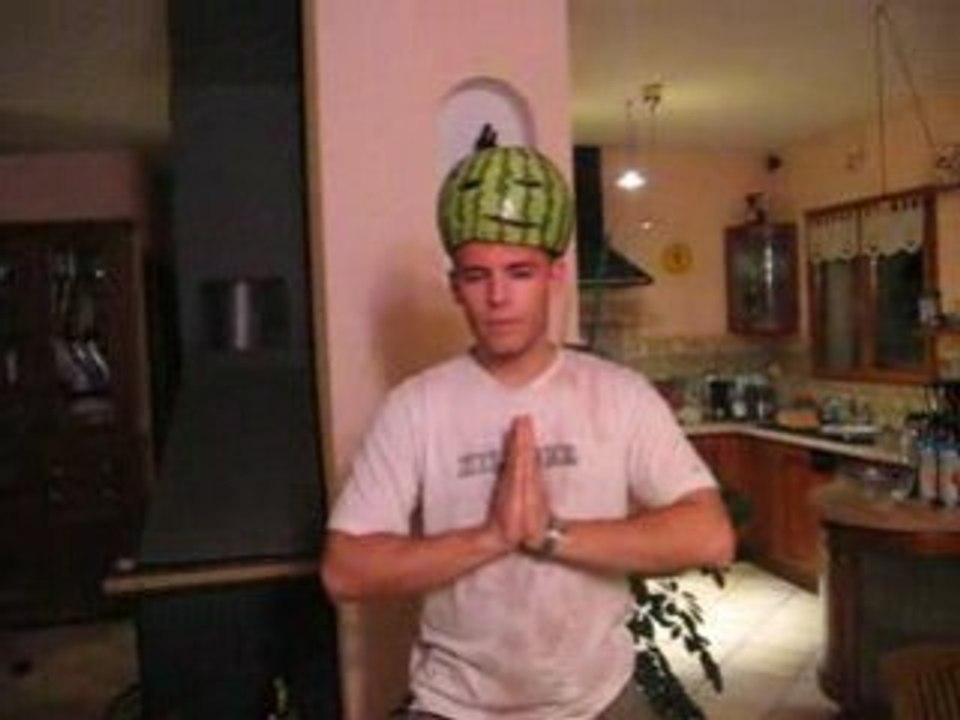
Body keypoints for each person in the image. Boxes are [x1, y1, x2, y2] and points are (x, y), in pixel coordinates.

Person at [321, 143, 735, 720]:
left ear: (554, 276)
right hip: (452, 708)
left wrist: (551, 534)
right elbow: (346, 569)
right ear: (455, 286)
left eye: (519, 272)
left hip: (599, 704)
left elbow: (710, 537)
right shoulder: (415, 408)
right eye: (477, 276)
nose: (497, 298)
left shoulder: (618, 394)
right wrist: (491, 537)